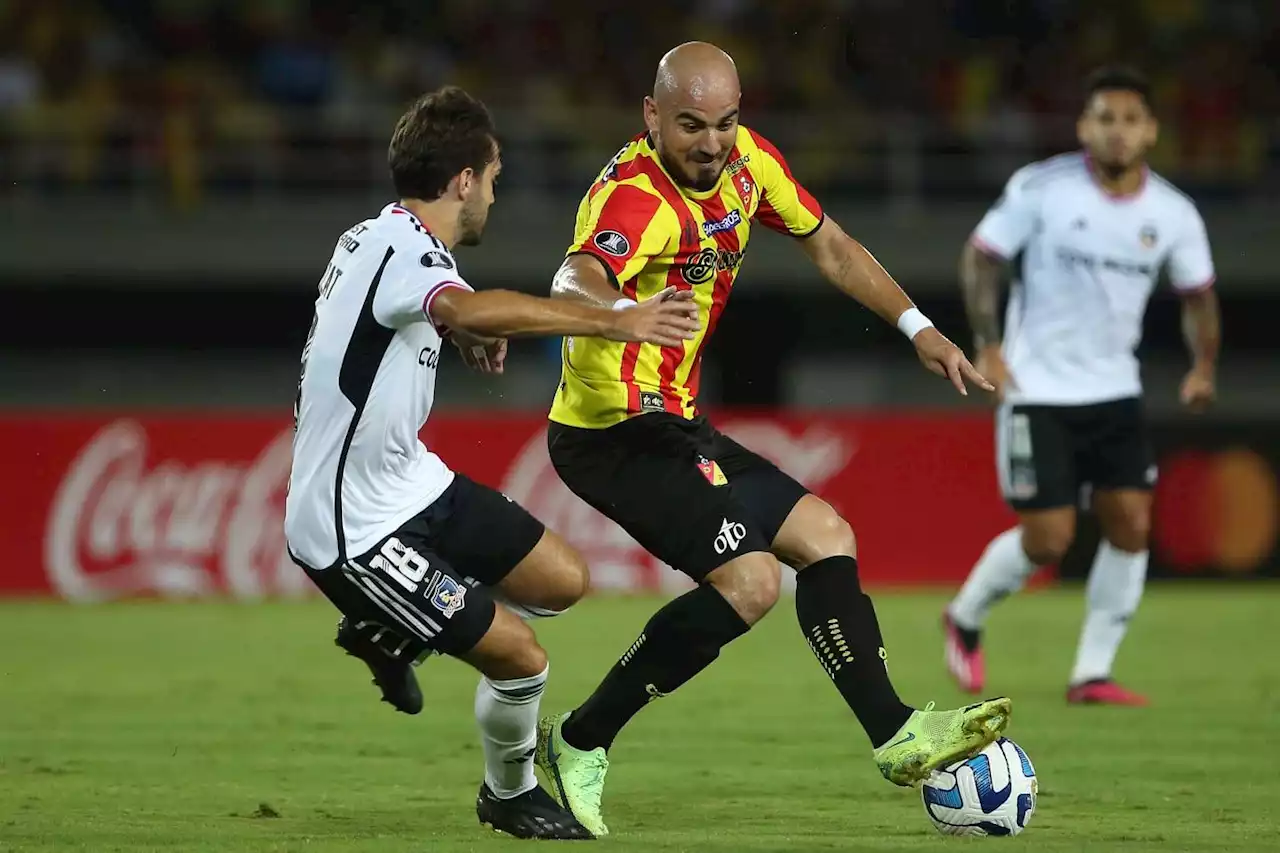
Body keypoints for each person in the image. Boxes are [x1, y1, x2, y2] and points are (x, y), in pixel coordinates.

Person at [532, 42, 1012, 838]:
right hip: (610, 433)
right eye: (690, 125)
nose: (711, 143)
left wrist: (917, 327)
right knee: (751, 583)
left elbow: (829, 244)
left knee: (826, 535)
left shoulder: (750, 164)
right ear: (651, 116)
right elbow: (574, 278)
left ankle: (895, 734)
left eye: (724, 122)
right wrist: (618, 313)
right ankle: (581, 738)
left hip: (677, 421)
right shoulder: (634, 198)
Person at [283, 85, 700, 840]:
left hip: (407, 481)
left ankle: (391, 627)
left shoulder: (380, 238)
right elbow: (457, 305)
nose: (495, 195)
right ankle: (506, 795)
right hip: (351, 524)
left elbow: (420, 310)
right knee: (519, 657)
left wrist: (457, 327)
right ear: (465, 180)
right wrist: (615, 318)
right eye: (495, 177)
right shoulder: (406, 252)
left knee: (563, 580)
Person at [942, 67, 1220, 706]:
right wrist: (987, 342)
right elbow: (982, 256)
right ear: (1083, 127)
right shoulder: (1042, 190)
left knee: (1131, 524)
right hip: (1035, 388)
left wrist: (1202, 365)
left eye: (1129, 120)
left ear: (1150, 131)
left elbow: (1199, 296)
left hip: (1115, 391)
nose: (1117, 132)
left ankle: (1091, 673)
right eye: (1104, 118)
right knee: (1050, 540)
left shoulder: (1173, 213)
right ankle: (965, 615)